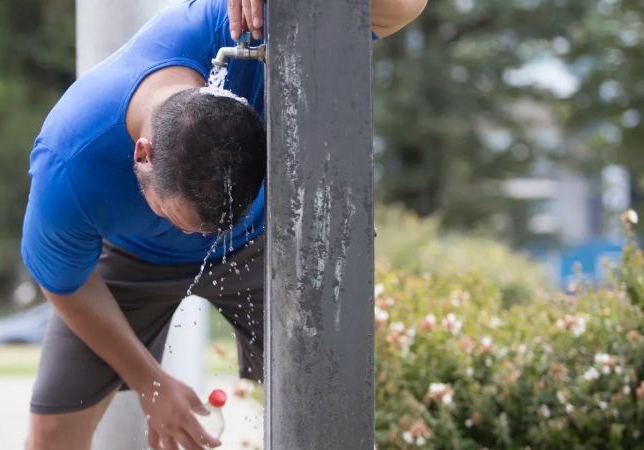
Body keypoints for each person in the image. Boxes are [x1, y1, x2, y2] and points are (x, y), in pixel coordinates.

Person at [21, 0, 427, 449]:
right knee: (53, 430)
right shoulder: (69, 165)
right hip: (135, 259)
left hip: (257, 245)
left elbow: (406, 7)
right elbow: (64, 284)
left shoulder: (246, 23)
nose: (205, 240)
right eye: (186, 221)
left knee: (336, 389)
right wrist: (151, 384)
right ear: (143, 154)